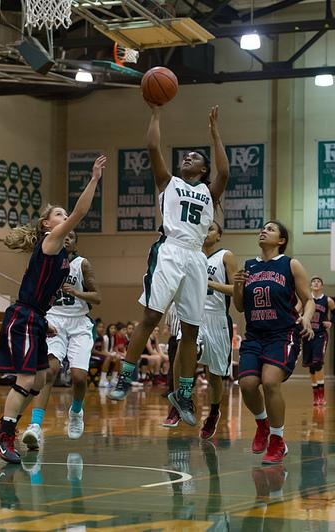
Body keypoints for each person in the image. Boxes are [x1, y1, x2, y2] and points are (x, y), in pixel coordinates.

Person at [109, 104, 229, 432]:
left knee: (190, 330)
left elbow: (225, 172)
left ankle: (185, 395)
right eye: (185, 156)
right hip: (170, 249)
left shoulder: (209, 190)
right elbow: (151, 147)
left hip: (195, 257)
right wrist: (156, 113)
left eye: (195, 157)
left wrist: (215, 133)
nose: (187, 158)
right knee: (150, 316)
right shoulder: (169, 182)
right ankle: (125, 376)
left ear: (203, 169)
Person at [0, 155, 105, 464]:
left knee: (40, 380)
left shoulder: (64, 256)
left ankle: (3, 425)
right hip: (24, 316)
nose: (65, 217)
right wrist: (93, 180)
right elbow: (81, 211)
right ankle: (5, 435)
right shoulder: (50, 241)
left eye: (64, 214)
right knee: (27, 379)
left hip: (37, 319)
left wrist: (47, 322)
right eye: (58, 214)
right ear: (46, 224)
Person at [232, 221, 314, 465]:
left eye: (270, 229)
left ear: (281, 240)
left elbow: (308, 299)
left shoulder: (290, 264)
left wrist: (307, 319)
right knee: (246, 384)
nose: (264, 230)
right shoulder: (249, 266)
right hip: (255, 334)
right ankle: (263, 425)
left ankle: (278, 441)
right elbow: (239, 306)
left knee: (269, 382)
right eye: (263, 228)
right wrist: (237, 285)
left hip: (283, 334)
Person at [21, 230, 102, 447]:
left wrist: (77, 293)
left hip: (78, 322)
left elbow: (98, 297)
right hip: (54, 320)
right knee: (49, 371)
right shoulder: (45, 262)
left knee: (79, 377)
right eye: (64, 235)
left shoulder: (82, 264)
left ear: (76, 243)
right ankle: (35, 426)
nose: (67, 238)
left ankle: (76, 411)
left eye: (72, 236)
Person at [193, 221, 237, 440]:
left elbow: (236, 290)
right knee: (186, 348)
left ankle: (213, 412)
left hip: (217, 318)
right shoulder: (193, 255)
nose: (205, 232)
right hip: (196, 316)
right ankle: (183, 397)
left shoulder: (225, 256)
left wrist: (210, 285)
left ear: (219, 236)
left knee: (215, 374)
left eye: (210, 228)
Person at [302, 277, 335, 406]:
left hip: (320, 335)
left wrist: (331, 322)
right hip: (307, 334)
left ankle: (321, 395)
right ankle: (315, 394)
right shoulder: (305, 300)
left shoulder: (327, 300)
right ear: (310, 285)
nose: (316, 283)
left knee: (318, 363)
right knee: (311, 366)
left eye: (318, 282)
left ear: (322, 286)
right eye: (313, 282)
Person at [94, 320, 120, 388]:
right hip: (94, 355)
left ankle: (113, 379)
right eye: (99, 327)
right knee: (109, 358)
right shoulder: (96, 337)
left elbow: (103, 350)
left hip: (101, 355)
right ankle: (102, 380)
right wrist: (109, 355)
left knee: (117, 358)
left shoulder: (104, 338)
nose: (101, 329)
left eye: (102, 327)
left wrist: (111, 354)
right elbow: (93, 351)